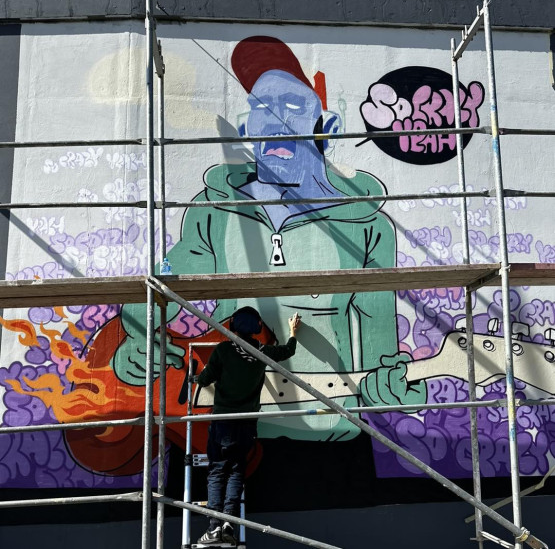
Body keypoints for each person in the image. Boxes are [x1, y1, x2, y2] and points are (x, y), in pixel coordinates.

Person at [112, 35, 425, 443]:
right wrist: (137, 340)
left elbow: (379, 344)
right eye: (261, 107)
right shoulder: (214, 212)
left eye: (293, 106)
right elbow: (162, 291)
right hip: (233, 423)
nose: (275, 120)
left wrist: (389, 386)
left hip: (331, 434)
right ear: (247, 128)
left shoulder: (367, 225)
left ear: (327, 127)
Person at [196, 307, 301, 546]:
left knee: (217, 471)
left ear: (233, 325)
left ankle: (214, 528)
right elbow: (287, 350)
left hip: (223, 422)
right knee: (236, 472)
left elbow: (204, 379)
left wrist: (200, 375)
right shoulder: (261, 352)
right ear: (256, 327)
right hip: (247, 424)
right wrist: (293, 332)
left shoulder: (223, 350)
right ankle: (228, 525)